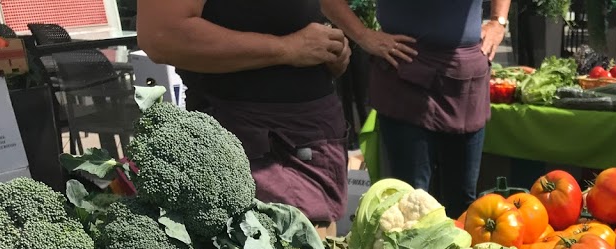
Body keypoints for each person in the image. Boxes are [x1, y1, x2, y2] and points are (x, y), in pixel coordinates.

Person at [137, 0, 352, 236]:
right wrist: (288, 48)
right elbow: (162, 35)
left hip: (315, 139)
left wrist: (328, 49)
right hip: (254, 144)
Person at [320, 0, 510, 217]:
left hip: (465, 79)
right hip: (403, 71)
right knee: (410, 203)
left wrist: (499, 21)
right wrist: (364, 36)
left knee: (464, 204)